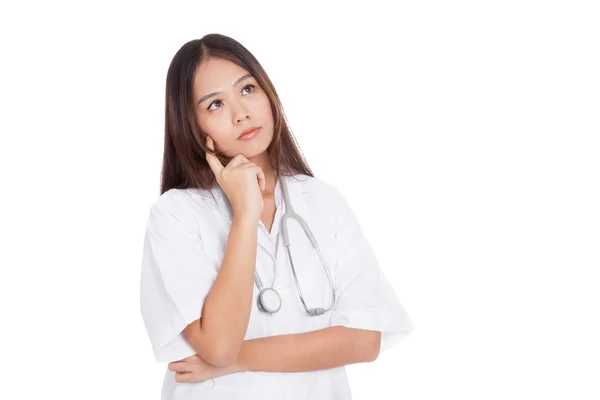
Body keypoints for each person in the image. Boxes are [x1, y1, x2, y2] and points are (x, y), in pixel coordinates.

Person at [139, 33, 414, 400]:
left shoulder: (321, 201)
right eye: (216, 104)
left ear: (268, 93)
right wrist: (245, 213)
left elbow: (365, 339)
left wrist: (239, 360)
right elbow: (218, 344)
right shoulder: (175, 215)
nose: (241, 113)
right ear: (192, 125)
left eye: (248, 89)